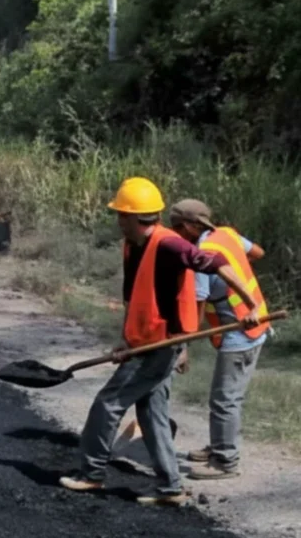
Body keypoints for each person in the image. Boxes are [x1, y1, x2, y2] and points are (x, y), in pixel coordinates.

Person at [59, 178, 262, 506]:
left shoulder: (170, 244)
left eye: (119, 215)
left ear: (129, 217)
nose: (117, 221)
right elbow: (132, 298)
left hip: (161, 345)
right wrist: (125, 340)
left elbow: (216, 264)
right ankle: (170, 487)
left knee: (108, 403)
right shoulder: (131, 246)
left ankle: (91, 473)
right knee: (152, 411)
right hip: (142, 342)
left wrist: (249, 303)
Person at [168, 199, 270, 481]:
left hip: (241, 332)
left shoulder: (203, 255)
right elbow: (258, 253)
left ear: (190, 226)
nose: (175, 234)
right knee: (225, 397)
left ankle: (225, 460)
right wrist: (235, 272)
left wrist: (183, 347)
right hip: (252, 322)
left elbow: (196, 309)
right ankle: (218, 446)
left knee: (225, 399)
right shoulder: (226, 234)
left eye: (177, 228)